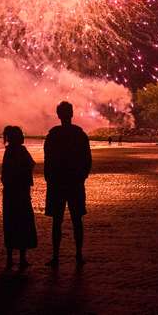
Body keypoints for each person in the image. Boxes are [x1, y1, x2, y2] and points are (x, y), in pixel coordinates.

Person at [43, 101, 92, 268]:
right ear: (71, 114)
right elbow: (87, 160)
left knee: (57, 221)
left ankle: (56, 256)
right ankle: (78, 254)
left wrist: (49, 178)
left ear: (58, 115)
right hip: (75, 183)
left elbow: (47, 160)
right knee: (77, 220)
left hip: (57, 183)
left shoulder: (53, 135)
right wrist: (81, 177)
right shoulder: (80, 134)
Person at [1, 125, 37, 269]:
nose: (23, 136)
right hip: (20, 192)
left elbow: (5, 174)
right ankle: (21, 258)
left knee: (11, 223)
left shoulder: (8, 151)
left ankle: (10, 258)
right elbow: (30, 164)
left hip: (10, 193)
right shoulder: (20, 151)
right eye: (21, 134)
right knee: (23, 223)